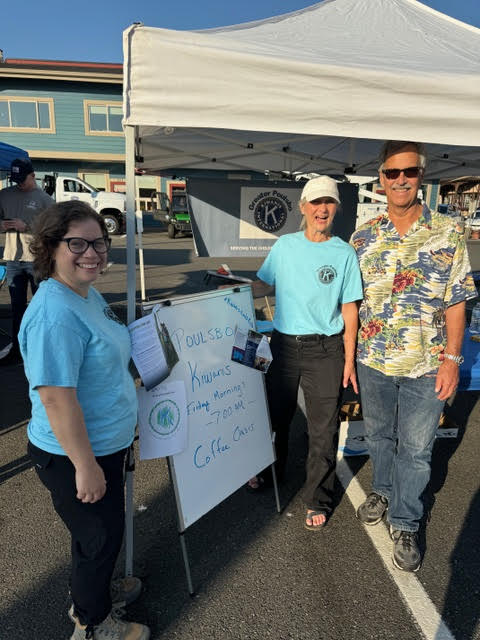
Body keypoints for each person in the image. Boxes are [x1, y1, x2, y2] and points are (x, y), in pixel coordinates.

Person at [19, 201, 150, 640]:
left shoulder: (83, 294)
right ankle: (93, 625)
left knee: (98, 535)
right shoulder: (54, 314)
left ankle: (89, 595)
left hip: (103, 443)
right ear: (51, 247)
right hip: (75, 454)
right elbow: (57, 399)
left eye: (98, 242)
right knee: (98, 539)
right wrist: (86, 466)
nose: (91, 253)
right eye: (77, 243)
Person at [350, 141, 476, 572]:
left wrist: (453, 360)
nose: (400, 180)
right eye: (392, 173)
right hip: (374, 359)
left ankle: (405, 521)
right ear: (380, 179)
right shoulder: (363, 237)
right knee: (381, 438)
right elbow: (350, 301)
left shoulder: (447, 231)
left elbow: (458, 299)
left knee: (417, 449)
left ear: (422, 176)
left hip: (427, 363)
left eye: (409, 172)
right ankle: (383, 490)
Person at [249, 176, 363, 530]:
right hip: (283, 345)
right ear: (303, 208)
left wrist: (349, 359)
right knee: (276, 419)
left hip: (326, 349)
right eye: (315, 203)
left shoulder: (344, 252)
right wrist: (227, 288)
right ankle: (272, 473)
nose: (322, 209)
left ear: (336, 208)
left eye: (328, 202)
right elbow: (263, 282)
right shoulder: (284, 246)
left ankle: (318, 497)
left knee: (323, 428)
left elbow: (350, 310)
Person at [0, 157, 53, 365]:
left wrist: (27, 226)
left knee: (42, 308)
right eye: (16, 179)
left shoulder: (45, 200)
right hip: (13, 259)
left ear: (33, 175)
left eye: (23, 179)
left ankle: (42, 351)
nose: (19, 183)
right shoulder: (4, 195)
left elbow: (54, 230)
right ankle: (17, 349)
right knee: (17, 308)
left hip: (37, 260)